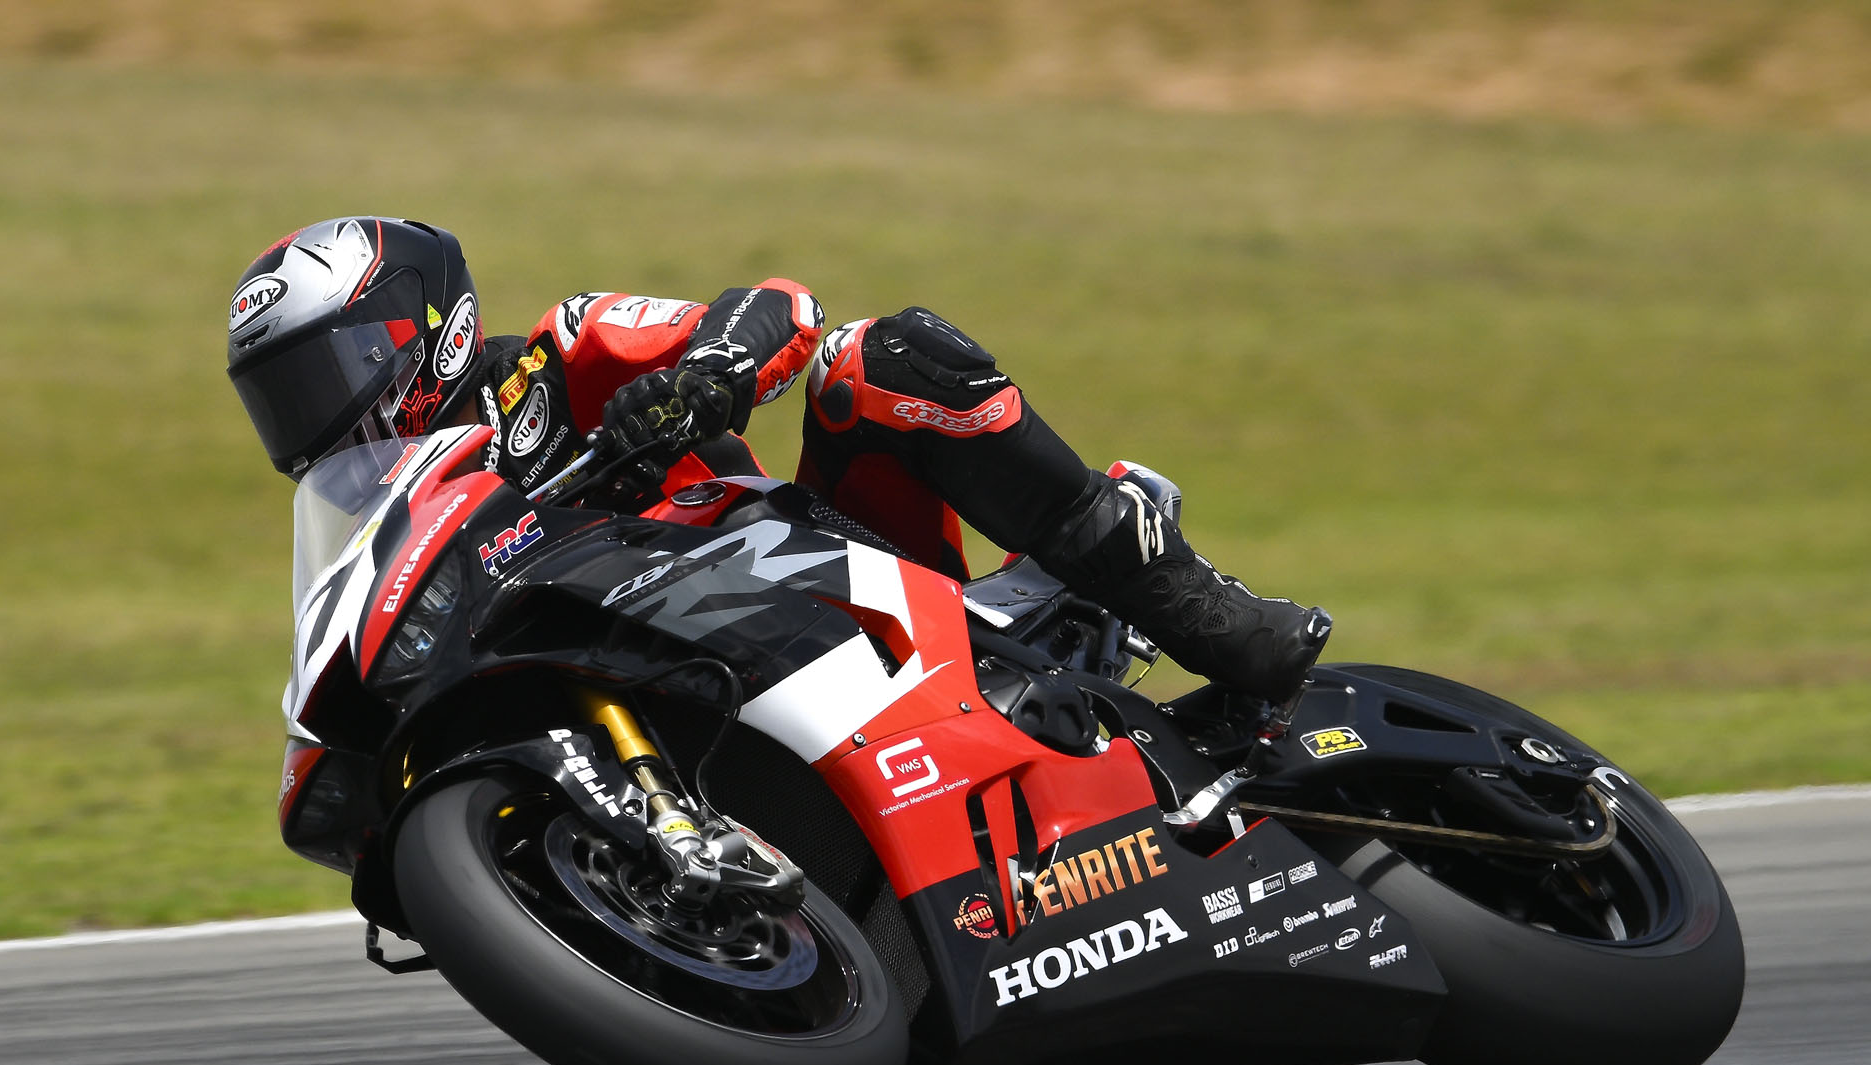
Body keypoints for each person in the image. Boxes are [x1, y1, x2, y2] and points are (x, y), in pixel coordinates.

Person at [227, 216, 1329, 703]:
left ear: (429, 327)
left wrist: (705, 377)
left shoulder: (561, 354)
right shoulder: (392, 530)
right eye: (284, 399)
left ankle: (1199, 610)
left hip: (817, 578)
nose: (313, 415)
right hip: (660, 679)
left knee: (874, 360)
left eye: (329, 371)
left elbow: (782, 306)